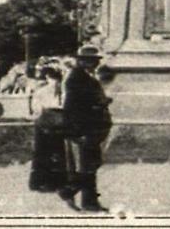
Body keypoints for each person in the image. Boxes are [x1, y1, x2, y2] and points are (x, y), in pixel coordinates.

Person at [58, 45, 113, 213]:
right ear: (82, 61)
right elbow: (73, 106)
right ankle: (70, 191)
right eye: (91, 60)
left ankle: (89, 202)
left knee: (92, 164)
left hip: (91, 128)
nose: (95, 63)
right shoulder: (77, 78)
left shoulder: (86, 77)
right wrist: (100, 104)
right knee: (90, 165)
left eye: (96, 60)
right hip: (84, 128)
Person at [29, 65, 67, 193]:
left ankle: (49, 182)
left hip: (51, 124)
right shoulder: (44, 92)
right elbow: (37, 110)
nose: (55, 82)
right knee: (49, 153)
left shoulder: (47, 91)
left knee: (51, 153)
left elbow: (36, 109)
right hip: (49, 124)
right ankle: (47, 182)